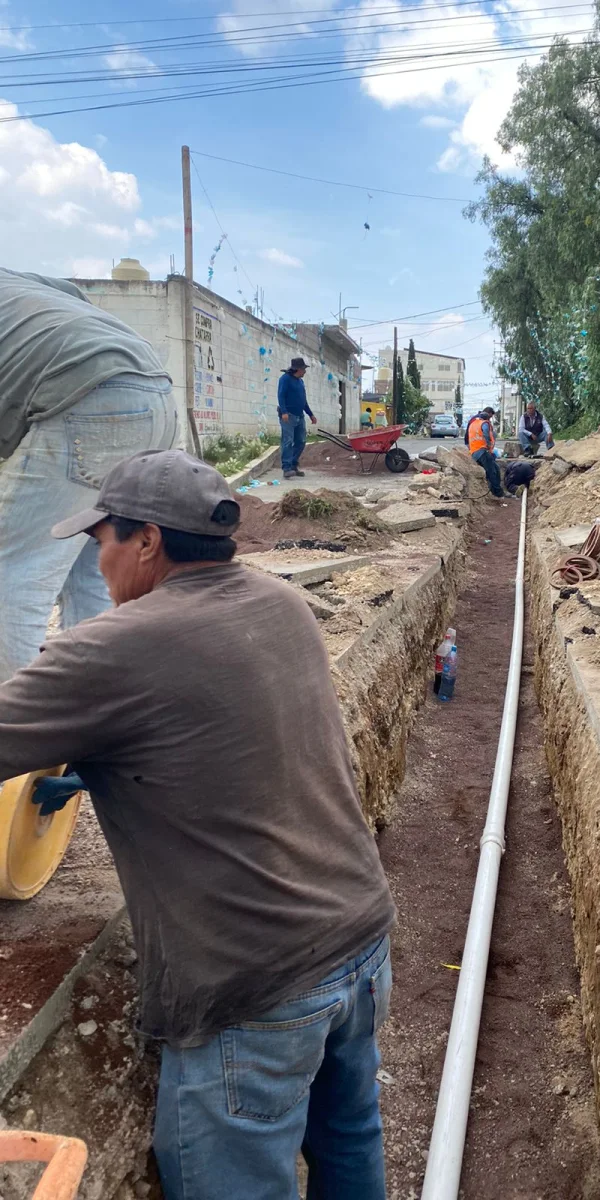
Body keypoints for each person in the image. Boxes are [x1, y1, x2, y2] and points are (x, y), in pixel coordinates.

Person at [0, 450, 396, 1200]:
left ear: (146, 540)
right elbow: (229, 737)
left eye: (101, 540)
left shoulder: (112, 649)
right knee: (349, 1139)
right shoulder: (281, 604)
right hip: (362, 940)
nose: (98, 559)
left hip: (256, 989)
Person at [0, 267, 177, 682]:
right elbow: (71, 293)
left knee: (13, 581)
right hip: (153, 391)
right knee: (91, 570)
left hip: (84, 399)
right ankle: (92, 708)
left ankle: (17, 731)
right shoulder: (17, 282)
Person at [277, 356, 317, 479]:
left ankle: (293, 464)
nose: (305, 371)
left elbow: (303, 400)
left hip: (300, 416)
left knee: (301, 441)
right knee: (288, 441)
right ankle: (286, 468)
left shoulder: (300, 382)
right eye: (303, 369)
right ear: (297, 369)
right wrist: (284, 411)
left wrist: (310, 414)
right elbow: (281, 395)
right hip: (288, 416)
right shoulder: (285, 379)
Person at [465, 406, 506, 499]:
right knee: (492, 472)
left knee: (496, 468)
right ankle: (498, 493)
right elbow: (486, 433)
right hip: (482, 451)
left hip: (475, 452)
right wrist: (488, 444)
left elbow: (468, 438)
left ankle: (497, 491)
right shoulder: (484, 424)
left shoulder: (473, 423)